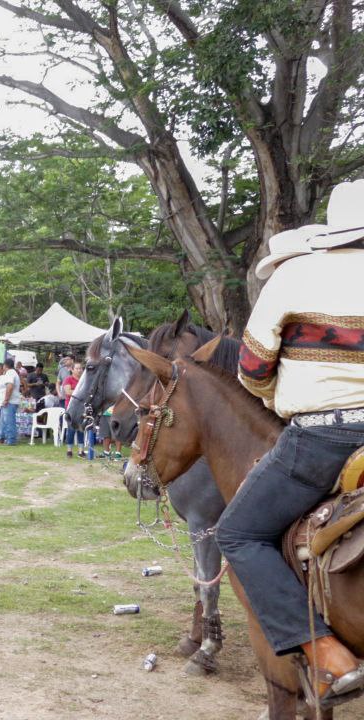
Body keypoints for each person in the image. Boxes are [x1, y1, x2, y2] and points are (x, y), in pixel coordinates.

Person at [218, 189, 364, 707]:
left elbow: (252, 367)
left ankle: (326, 652)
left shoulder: (297, 275)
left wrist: (277, 397)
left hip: (326, 437)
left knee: (238, 533)